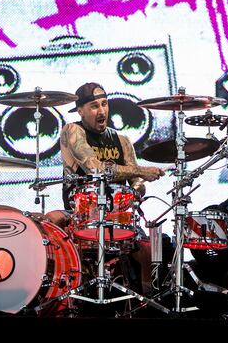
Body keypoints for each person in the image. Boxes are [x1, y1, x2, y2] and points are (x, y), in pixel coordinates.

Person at [44, 82, 165, 291]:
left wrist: (137, 188)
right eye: (94, 106)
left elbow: (137, 183)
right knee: (51, 221)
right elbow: (95, 168)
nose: (102, 111)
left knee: (152, 249)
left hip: (118, 215)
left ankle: (149, 298)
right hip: (80, 214)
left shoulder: (122, 140)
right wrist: (141, 171)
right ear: (80, 110)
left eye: (104, 104)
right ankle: (64, 295)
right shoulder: (72, 131)